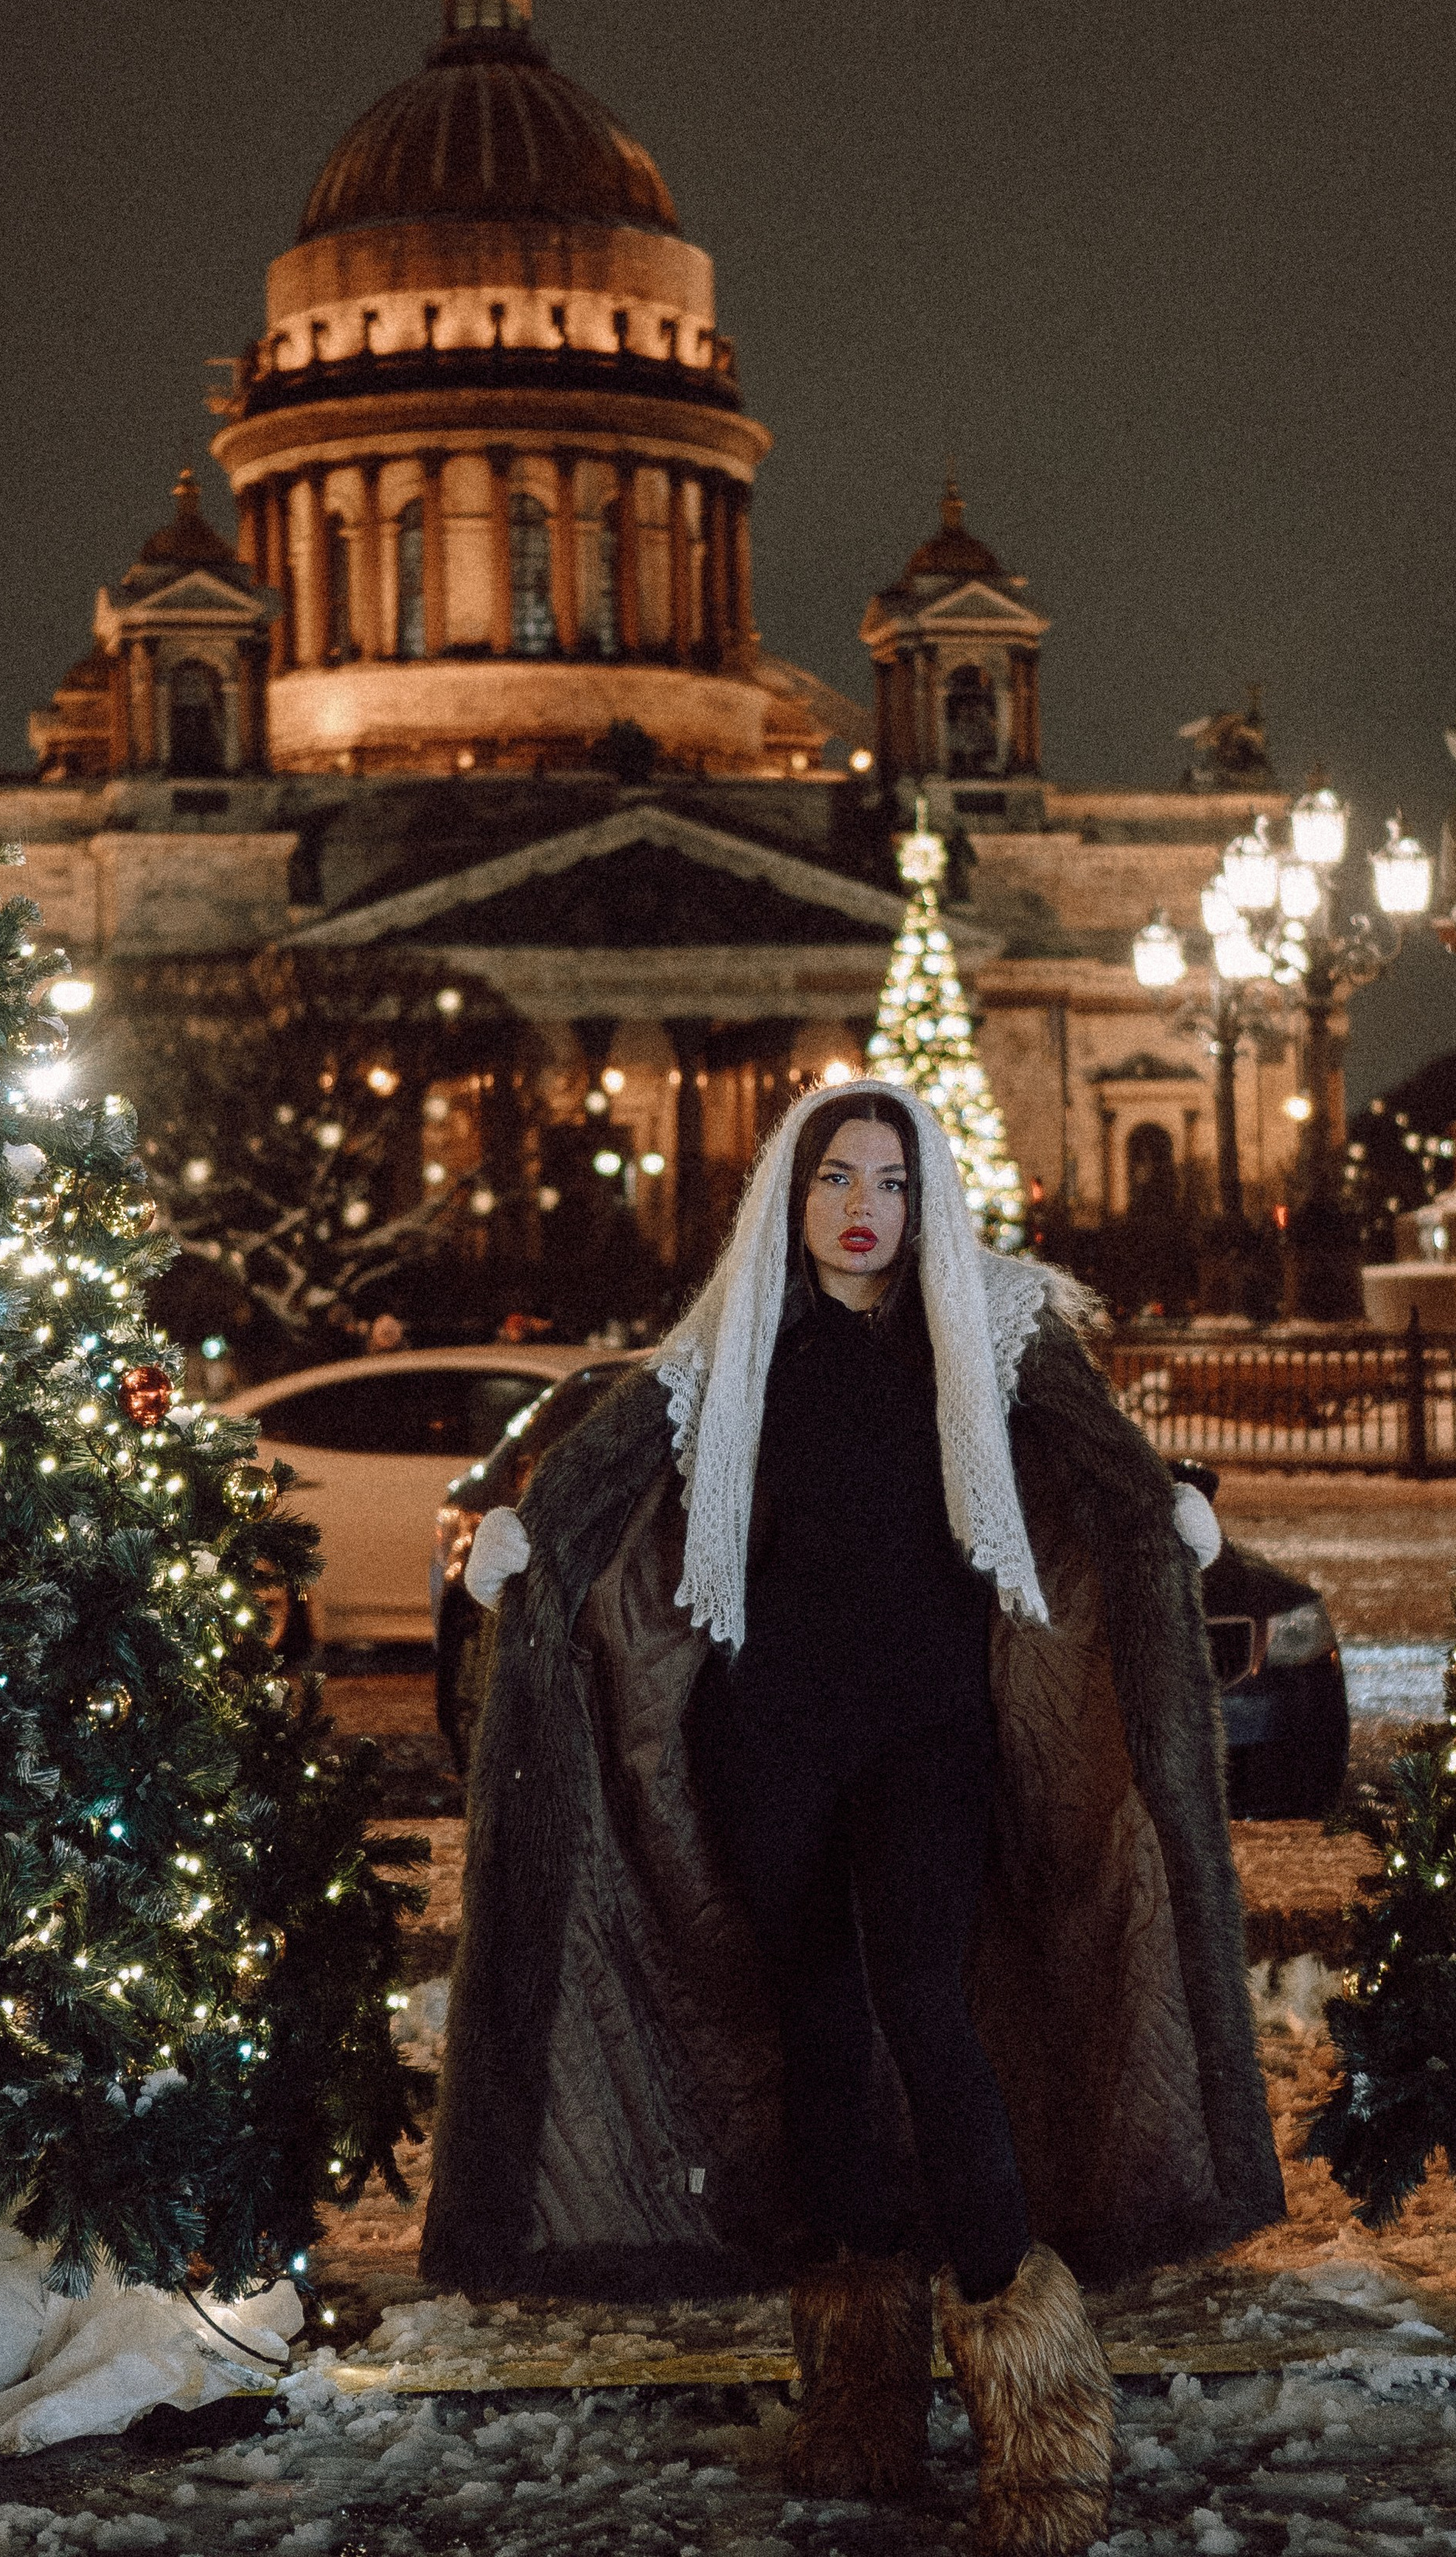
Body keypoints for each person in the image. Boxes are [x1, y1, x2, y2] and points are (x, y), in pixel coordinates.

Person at [423, 1080, 1281, 2557]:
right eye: (834, 1176)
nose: (861, 1204)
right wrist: (525, 1536)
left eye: (887, 1177)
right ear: (792, 1193)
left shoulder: (991, 1326)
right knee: (816, 2027)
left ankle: (1039, 2409)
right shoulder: (733, 1339)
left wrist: (1170, 1516)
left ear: (924, 1196)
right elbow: (608, 1465)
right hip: (767, 1739)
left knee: (926, 2014)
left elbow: (1101, 1460)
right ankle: (861, 2401)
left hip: (928, 1741)